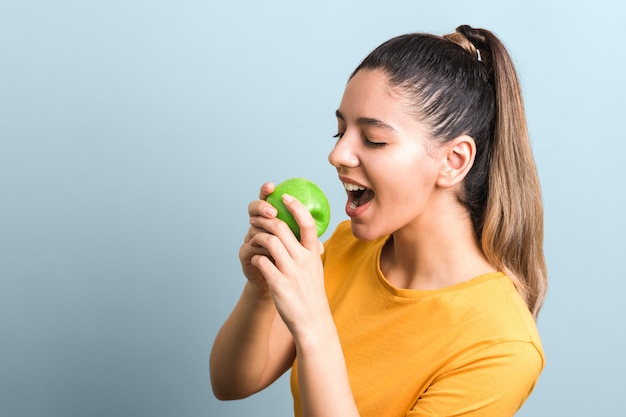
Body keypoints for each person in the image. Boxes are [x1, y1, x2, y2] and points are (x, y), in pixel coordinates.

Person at [210, 24, 547, 417]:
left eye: (373, 139)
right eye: (340, 132)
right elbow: (231, 383)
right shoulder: (346, 247)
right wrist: (262, 289)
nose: (338, 156)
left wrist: (314, 324)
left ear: (453, 161)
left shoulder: (500, 346)